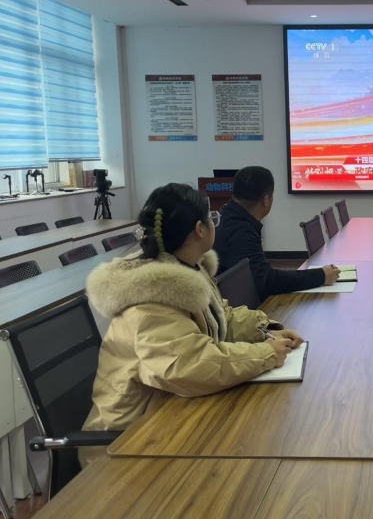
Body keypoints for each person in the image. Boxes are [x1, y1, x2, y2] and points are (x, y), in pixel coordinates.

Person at [80, 184, 303, 465]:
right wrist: (266, 354)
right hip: (127, 444)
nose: (214, 223)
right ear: (200, 229)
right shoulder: (151, 299)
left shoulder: (186, 268)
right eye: (212, 217)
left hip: (170, 415)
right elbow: (190, 366)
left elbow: (220, 318)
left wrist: (265, 330)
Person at [214, 166, 339, 301]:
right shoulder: (240, 231)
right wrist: (321, 276)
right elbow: (268, 281)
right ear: (266, 200)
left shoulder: (228, 216)